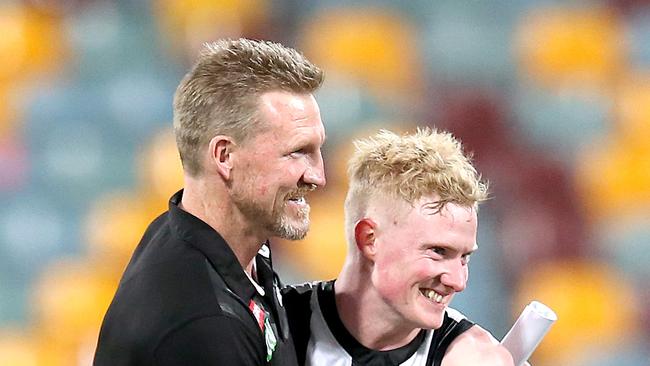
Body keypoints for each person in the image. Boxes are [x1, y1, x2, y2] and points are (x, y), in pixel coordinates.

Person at [94, 38, 326, 366]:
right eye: (298, 152)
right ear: (224, 156)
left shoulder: (201, 236)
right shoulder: (205, 328)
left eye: (319, 151)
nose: (318, 177)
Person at [283, 128, 517, 366]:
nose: (458, 282)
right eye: (438, 251)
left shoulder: (474, 357)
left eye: (464, 257)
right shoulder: (273, 326)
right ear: (369, 239)